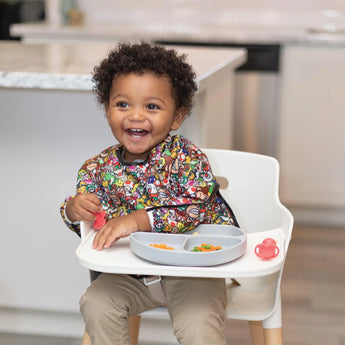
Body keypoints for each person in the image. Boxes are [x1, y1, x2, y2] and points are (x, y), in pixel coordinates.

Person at [60, 42, 239, 345]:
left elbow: (195, 208)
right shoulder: (97, 168)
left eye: (152, 107)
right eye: (123, 105)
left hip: (193, 272)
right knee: (96, 302)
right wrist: (73, 210)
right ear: (107, 111)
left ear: (177, 116)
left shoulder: (187, 157)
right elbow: (87, 224)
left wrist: (138, 220)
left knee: (198, 327)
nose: (136, 116)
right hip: (131, 277)